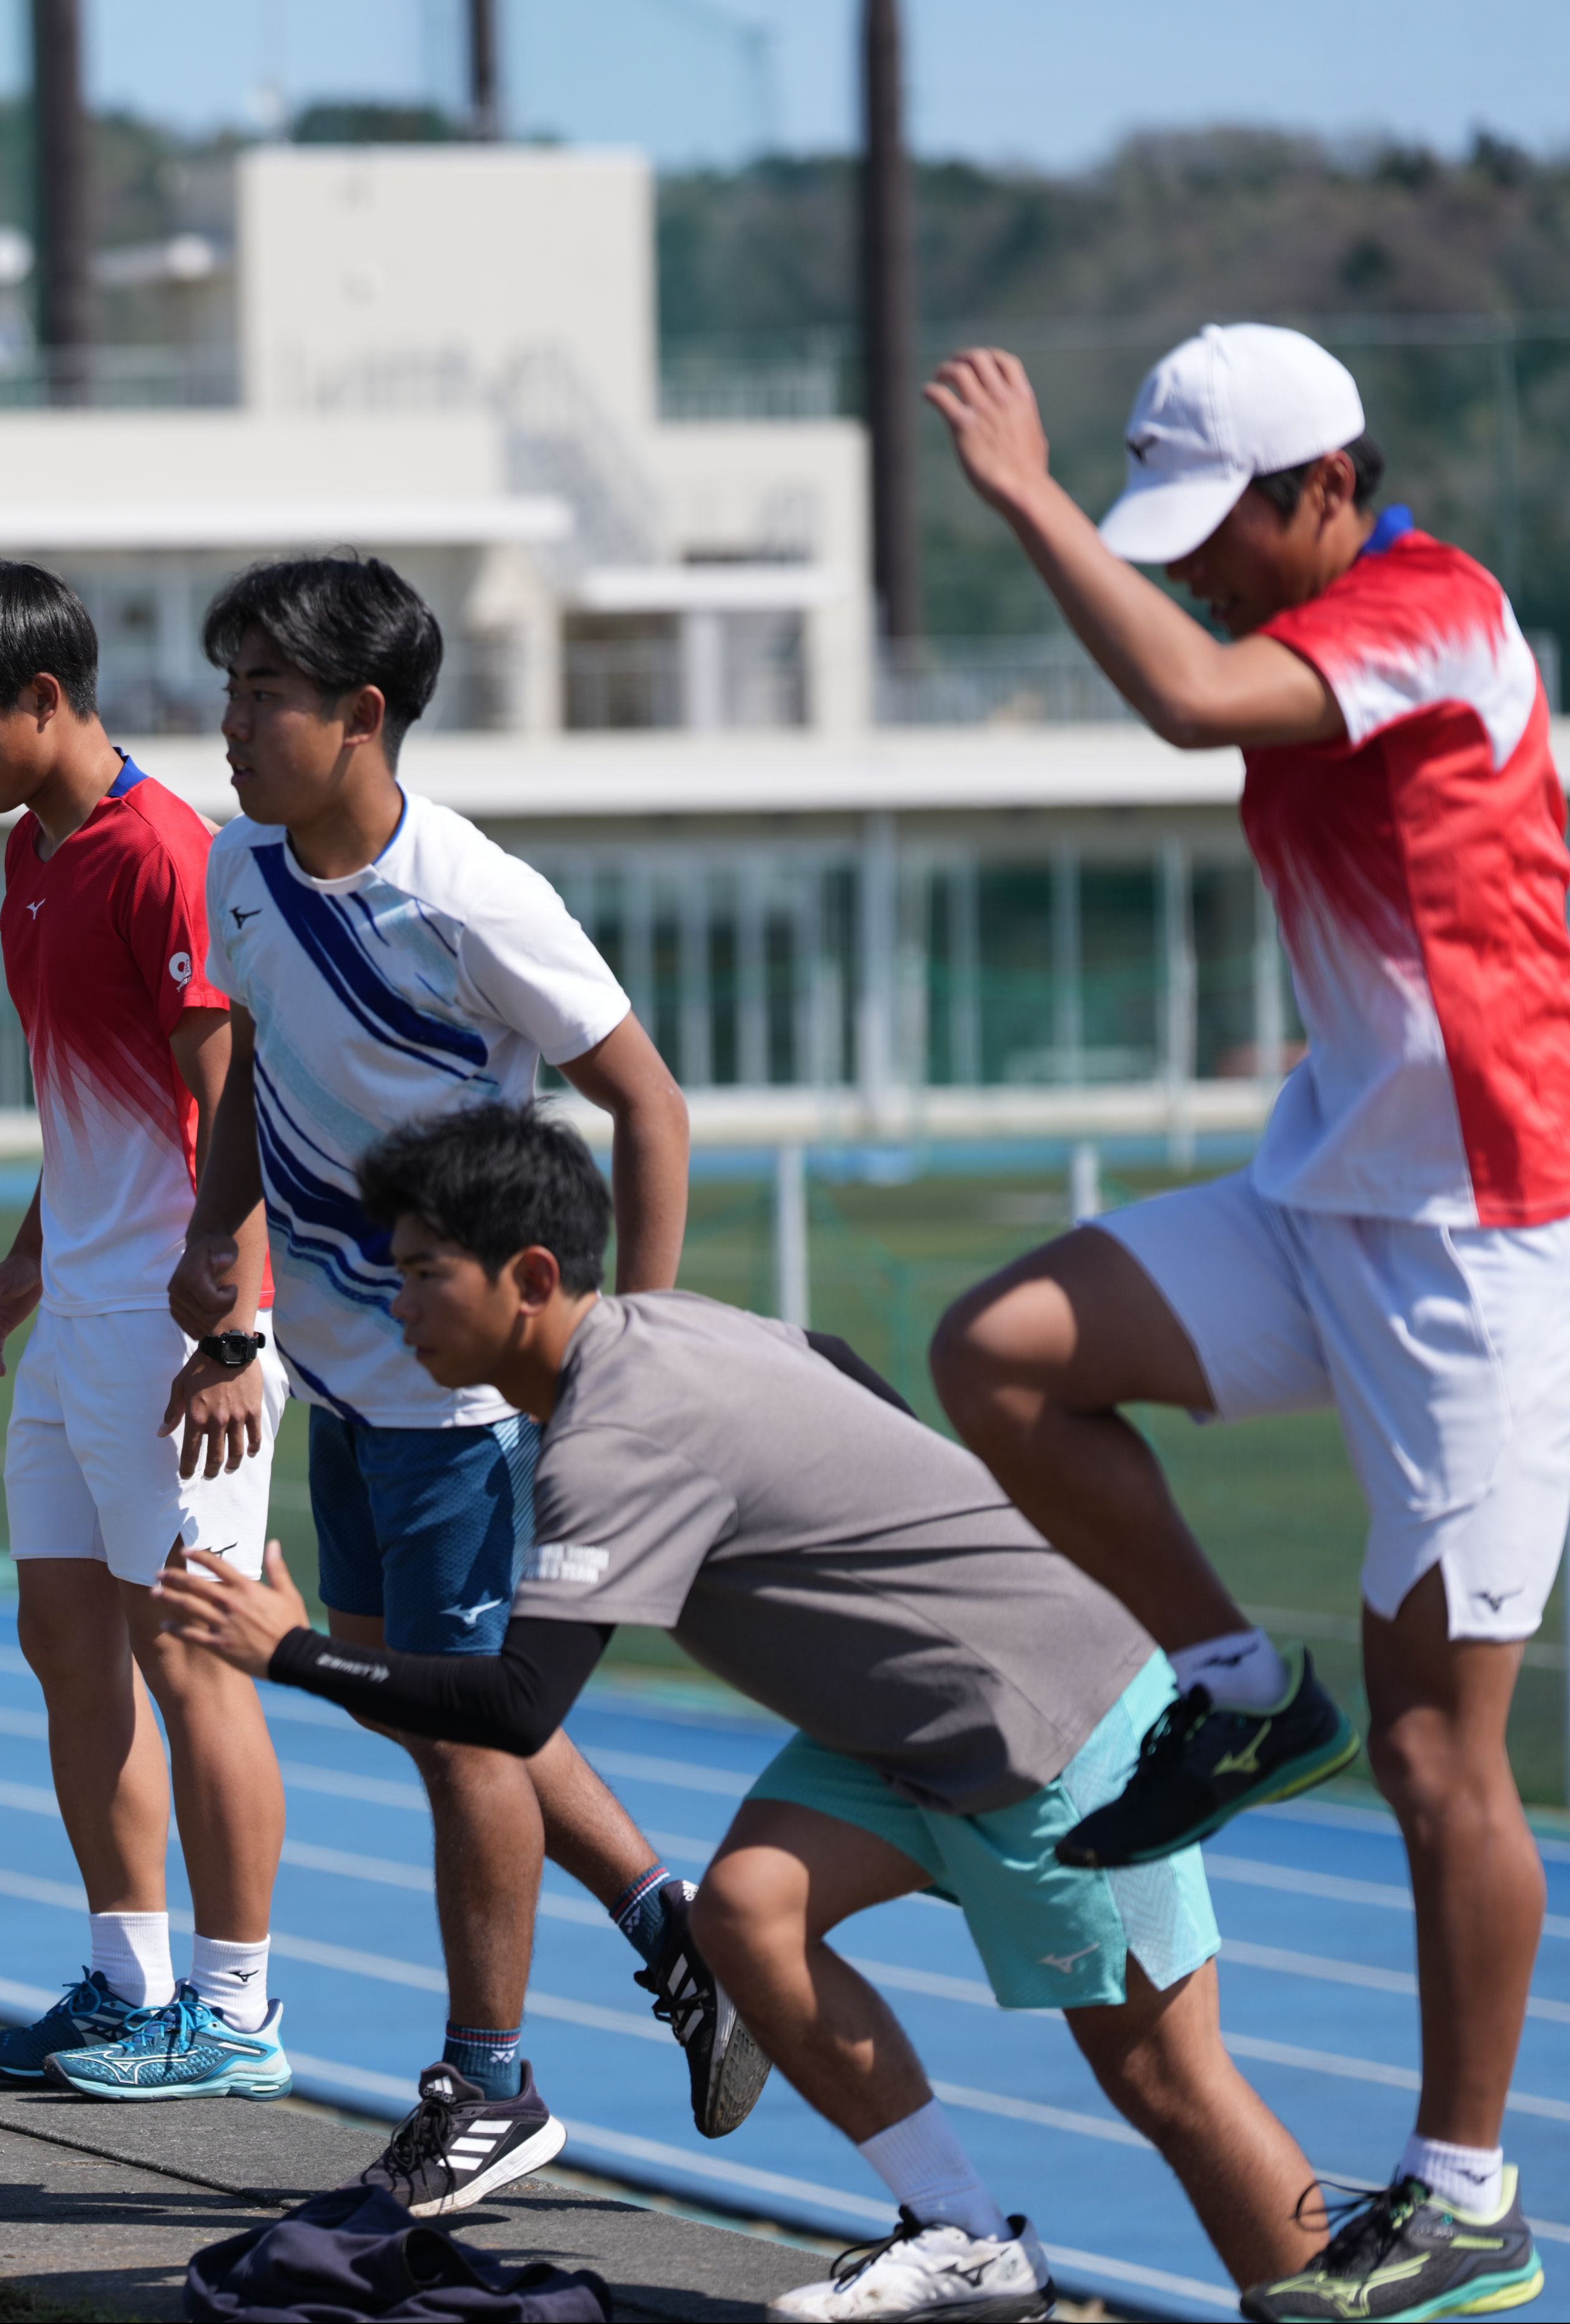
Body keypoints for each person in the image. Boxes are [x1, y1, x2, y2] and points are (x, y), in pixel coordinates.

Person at [161, 1104, 1344, 2324]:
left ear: (532, 1278)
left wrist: (293, 1652)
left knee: (1166, 2079)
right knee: (745, 1912)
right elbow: (832, 1357)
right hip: (899, 1732)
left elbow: (517, 1708)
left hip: (1058, 1721)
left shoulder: (612, 1440)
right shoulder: (664, 1327)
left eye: (422, 1273)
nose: (395, 1301)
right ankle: (965, 2237)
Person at [920, 325, 1555, 2324]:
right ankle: (1236, 1684)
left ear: (1330, 487)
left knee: (1445, 1758)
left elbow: (1192, 703)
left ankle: (1466, 2194)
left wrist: (1025, 497)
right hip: (1320, 1201)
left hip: (1478, 1244)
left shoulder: (1435, 611)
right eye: (1169, 533)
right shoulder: (1313, 621)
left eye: (1221, 529)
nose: (1196, 566)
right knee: (1000, 1353)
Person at [165, 554, 708, 2202]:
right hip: (341, 1376)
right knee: (420, 1705)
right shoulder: (243, 864)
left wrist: (626, 1364)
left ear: (362, 715)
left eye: (264, 694)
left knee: (467, 1737)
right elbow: (254, 1063)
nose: (231, 723)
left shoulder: (473, 900)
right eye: (230, 688)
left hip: (465, 1406)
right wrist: (219, 1247)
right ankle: (673, 1929)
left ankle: (492, 2082)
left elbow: (651, 1104)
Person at [0, 561, 294, 2101]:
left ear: (45, 697)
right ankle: (130, 1986)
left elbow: (234, 1103)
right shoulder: (32, 852)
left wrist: (237, 1334)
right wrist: (25, 1259)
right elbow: (88, 1099)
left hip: (178, 1334)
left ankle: (238, 2012)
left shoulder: (162, 853)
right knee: (66, 1643)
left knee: (195, 1659)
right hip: (76, 1314)